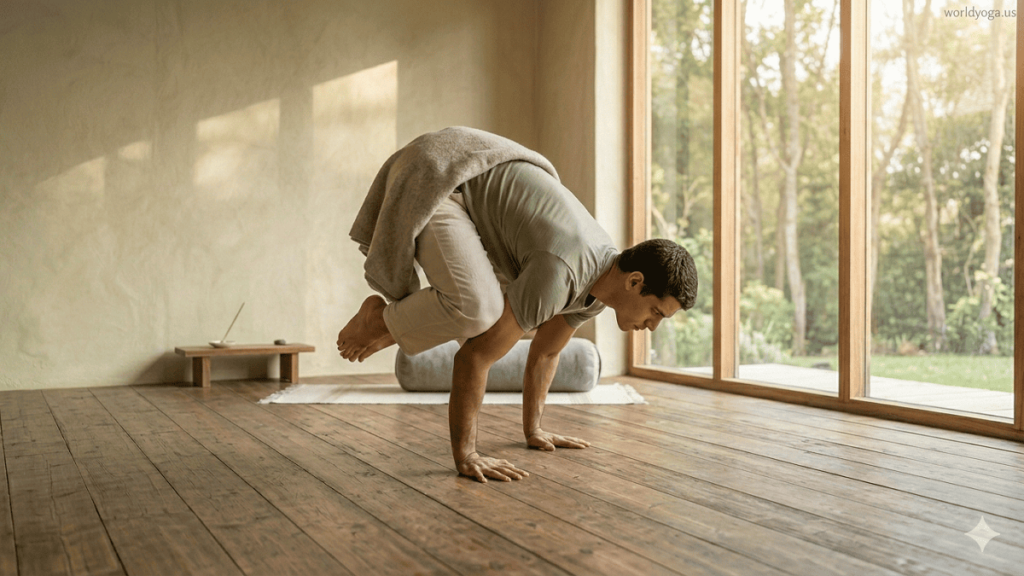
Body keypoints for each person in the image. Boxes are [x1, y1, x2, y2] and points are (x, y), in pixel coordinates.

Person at [338, 127, 697, 483]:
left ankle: (389, 325)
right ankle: (381, 321)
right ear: (635, 282)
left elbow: (545, 354)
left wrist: (534, 430)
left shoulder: (598, 290)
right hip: (444, 173)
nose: (652, 326)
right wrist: (467, 455)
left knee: (484, 318)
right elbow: (475, 357)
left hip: (470, 184)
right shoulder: (563, 272)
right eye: (656, 313)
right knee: (478, 311)